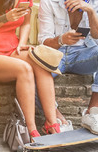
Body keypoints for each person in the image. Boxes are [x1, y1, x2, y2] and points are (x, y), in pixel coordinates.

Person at [0, 0, 60, 138]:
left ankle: (52, 123)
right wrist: (5, 18)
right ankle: (31, 130)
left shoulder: (25, 1)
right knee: (24, 69)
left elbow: (26, 23)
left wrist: (21, 43)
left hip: (11, 47)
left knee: (41, 62)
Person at [39, 0, 98, 134]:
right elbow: (44, 42)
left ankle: (93, 112)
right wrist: (61, 40)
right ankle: (56, 118)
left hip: (84, 54)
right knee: (35, 68)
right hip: (55, 54)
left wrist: (90, 11)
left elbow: (97, 36)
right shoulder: (48, 2)